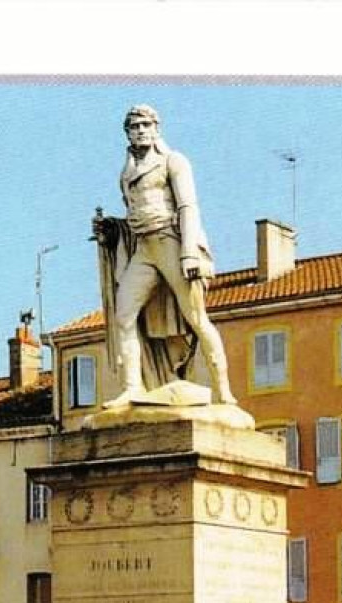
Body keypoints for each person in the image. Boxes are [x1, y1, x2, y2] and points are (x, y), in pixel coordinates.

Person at [91, 105, 235, 407]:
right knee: (124, 315)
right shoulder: (126, 171)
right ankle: (133, 387)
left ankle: (223, 393)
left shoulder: (173, 161)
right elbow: (135, 216)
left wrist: (190, 253)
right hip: (144, 248)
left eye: (146, 124)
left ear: (157, 128)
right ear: (127, 133)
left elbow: (187, 206)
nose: (141, 130)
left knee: (196, 318)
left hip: (170, 241)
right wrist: (112, 228)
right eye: (134, 126)